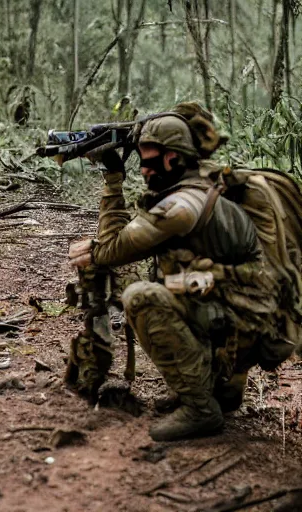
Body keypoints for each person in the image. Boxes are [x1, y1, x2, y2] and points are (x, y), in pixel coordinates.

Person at [67, 103, 299, 442]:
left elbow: (111, 250)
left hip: (246, 319)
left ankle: (201, 408)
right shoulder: (208, 181)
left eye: (147, 157)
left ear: (172, 158)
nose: (143, 168)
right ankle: (226, 390)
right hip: (254, 312)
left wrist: (112, 179)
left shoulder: (181, 207)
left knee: (142, 298)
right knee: (173, 280)